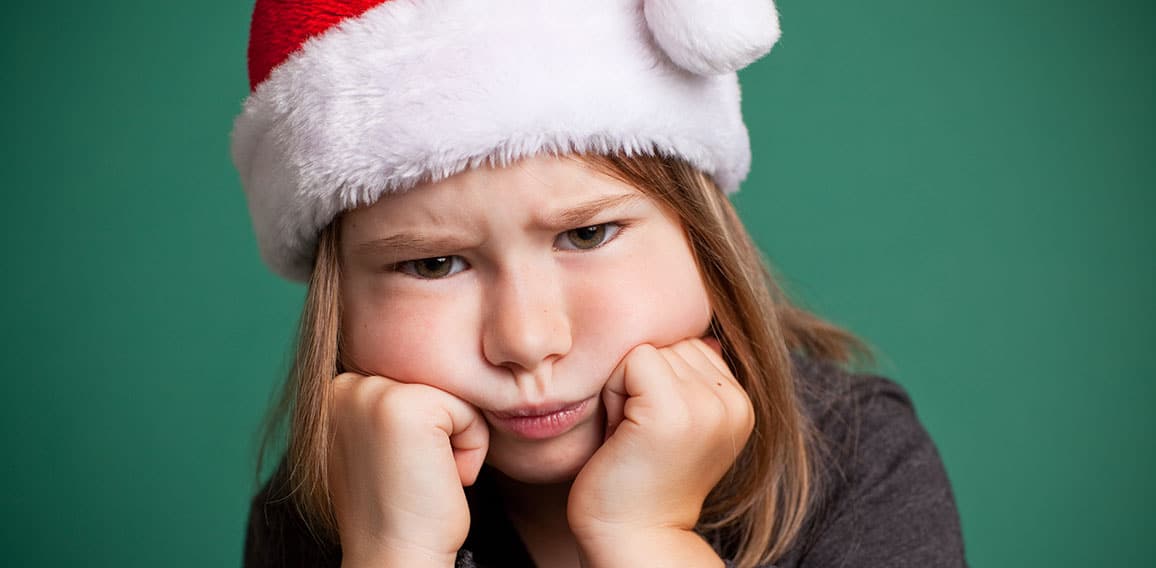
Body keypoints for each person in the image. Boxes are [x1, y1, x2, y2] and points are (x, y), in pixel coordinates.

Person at [231, 1, 967, 566]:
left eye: (586, 235)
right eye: (432, 264)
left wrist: (643, 538)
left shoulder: (854, 460)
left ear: (703, 243)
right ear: (344, 306)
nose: (527, 340)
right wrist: (395, 554)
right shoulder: (328, 515)